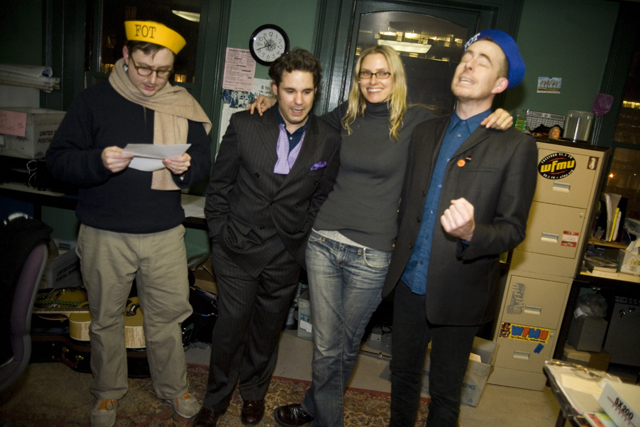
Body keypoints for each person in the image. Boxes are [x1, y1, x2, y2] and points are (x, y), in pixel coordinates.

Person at [251, 45, 513, 427]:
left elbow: (465, 125)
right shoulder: (346, 114)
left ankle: (313, 404)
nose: (373, 80)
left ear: (395, 77)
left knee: (344, 345)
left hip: (373, 253)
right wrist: (270, 104)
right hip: (324, 241)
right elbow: (300, 118)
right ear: (357, 78)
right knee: (326, 346)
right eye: (365, 73)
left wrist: (498, 115)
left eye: (382, 73)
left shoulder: (418, 121)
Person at [46, 20, 212, 427]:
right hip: (105, 234)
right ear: (125, 56)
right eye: (143, 68)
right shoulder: (93, 101)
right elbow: (58, 161)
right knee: (106, 318)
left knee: (167, 318)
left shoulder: (182, 103)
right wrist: (98, 161)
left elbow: (204, 162)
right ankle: (107, 393)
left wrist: (188, 167)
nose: (153, 80)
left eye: (163, 72)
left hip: (164, 234)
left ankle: (174, 387)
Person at [381, 30, 538, 427]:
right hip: (409, 283)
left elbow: (513, 230)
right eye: (467, 57)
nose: (468, 64)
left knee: (446, 393)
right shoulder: (425, 132)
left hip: (460, 290)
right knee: (402, 377)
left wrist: (471, 232)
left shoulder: (514, 145)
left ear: (500, 85)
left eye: (483, 61)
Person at [194, 48, 341, 427]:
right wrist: (219, 238)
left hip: (286, 253)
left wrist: (302, 236)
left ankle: (254, 394)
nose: (298, 101)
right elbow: (219, 186)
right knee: (230, 329)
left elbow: (322, 195)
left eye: (306, 91)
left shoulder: (328, 137)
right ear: (274, 89)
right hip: (236, 248)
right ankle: (215, 399)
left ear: (316, 91)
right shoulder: (245, 124)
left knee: (266, 330)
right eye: (290, 91)